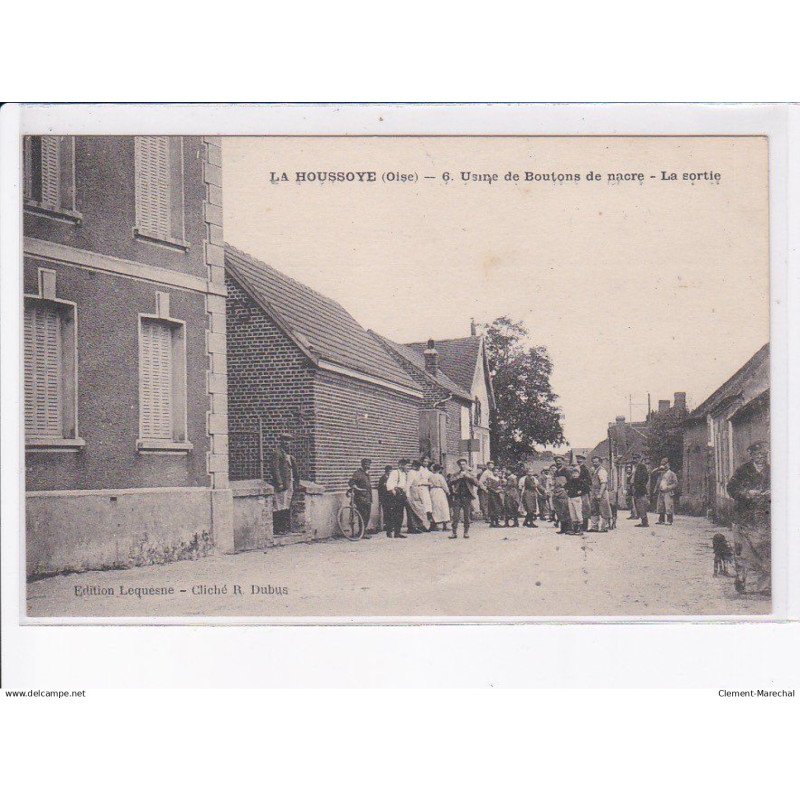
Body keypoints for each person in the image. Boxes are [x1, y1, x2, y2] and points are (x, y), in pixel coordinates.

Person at [726, 441, 771, 595]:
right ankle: (741, 578)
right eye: (757, 454)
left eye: (764, 455)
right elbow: (731, 488)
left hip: (762, 518)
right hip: (743, 517)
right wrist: (746, 493)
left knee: (764, 550)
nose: (761, 458)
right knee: (741, 549)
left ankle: (764, 586)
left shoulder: (772, 471)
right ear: (751, 456)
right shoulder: (743, 471)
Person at [270, 432, 300, 535]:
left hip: (289, 483)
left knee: (286, 504)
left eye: (289, 441)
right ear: (281, 441)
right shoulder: (277, 453)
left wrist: (296, 481)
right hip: (282, 484)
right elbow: (275, 469)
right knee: (279, 505)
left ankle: (285, 528)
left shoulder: (289, 455)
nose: (287, 443)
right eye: (285, 441)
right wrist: (279, 483)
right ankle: (278, 529)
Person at [448, 458, 479, 539]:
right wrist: (459, 477)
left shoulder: (470, 474)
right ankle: (454, 533)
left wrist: (468, 477)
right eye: (461, 464)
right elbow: (450, 482)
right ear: (459, 465)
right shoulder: (455, 474)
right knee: (455, 516)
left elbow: (477, 483)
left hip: (467, 497)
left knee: (466, 515)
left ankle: (466, 532)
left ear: (466, 465)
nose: (462, 466)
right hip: (457, 496)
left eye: (464, 464)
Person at [348, 458, 374, 538]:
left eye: (369, 464)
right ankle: (361, 533)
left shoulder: (366, 474)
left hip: (368, 498)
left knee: (367, 515)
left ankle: (363, 531)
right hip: (361, 498)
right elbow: (351, 482)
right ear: (362, 464)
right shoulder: (358, 473)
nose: (368, 466)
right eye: (366, 464)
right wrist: (357, 488)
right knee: (362, 515)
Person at [385, 459, 410, 538]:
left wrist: (406, 495)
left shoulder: (404, 474)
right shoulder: (395, 473)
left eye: (407, 465)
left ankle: (397, 532)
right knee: (392, 513)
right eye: (405, 465)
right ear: (400, 465)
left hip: (402, 494)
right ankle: (389, 532)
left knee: (400, 514)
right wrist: (393, 491)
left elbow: (405, 485)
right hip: (395, 494)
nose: (406, 467)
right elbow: (390, 483)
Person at [405, 460, 431, 533]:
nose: (420, 468)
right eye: (418, 466)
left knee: (420, 509)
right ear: (414, 466)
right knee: (412, 510)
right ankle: (412, 527)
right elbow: (408, 484)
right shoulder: (411, 473)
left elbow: (420, 482)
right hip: (412, 492)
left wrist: (427, 483)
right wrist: (407, 495)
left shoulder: (418, 472)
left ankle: (421, 525)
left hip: (418, 492)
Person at [589, 455, 612, 532]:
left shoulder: (602, 471)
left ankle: (604, 527)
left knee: (603, 509)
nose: (595, 463)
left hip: (601, 492)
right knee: (594, 509)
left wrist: (600, 494)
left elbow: (603, 483)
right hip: (594, 492)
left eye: (596, 462)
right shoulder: (594, 471)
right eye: (593, 462)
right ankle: (594, 527)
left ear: (600, 462)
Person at [655, 457, 678, 525]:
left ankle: (669, 520)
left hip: (668, 491)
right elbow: (652, 473)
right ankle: (661, 520)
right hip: (661, 491)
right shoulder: (661, 473)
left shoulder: (672, 473)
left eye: (665, 464)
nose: (664, 465)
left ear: (668, 464)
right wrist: (658, 468)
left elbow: (675, 483)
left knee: (668, 506)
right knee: (660, 505)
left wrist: (668, 487)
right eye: (663, 464)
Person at [479, 461, 503, 527]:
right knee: (493, 507)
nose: (496, 473)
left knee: (498, 507)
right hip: (492, 494)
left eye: (497, 471)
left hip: (497, 494)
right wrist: (486, 490)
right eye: (495, 471)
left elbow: (500, 485)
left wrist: (500, 489)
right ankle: (492, 522)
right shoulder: (489, 476)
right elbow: (487, 485)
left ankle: (496, 522)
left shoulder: (498, 478)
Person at [429, 463, 451, 531]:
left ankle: (434, 524)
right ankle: (445, 525)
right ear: (439, 469)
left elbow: (429, 484)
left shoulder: (431, 476)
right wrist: (448, 492)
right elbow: (444, 485)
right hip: (439, 491)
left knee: (434, 507)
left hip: (432, 491)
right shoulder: (440, 476)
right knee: (443, 507)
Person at [631, 453, 651, 527]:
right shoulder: (636, 467)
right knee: (638, 505)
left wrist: (640, 485)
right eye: (633, 458)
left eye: (636, 458)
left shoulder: (641, 466)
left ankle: (645, 522)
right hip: (637, 488)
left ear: (639, 459)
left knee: (641, 505)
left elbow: (645, 477)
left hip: (639, 489)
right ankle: (643, 521)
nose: (634, 460)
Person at [565, 465, 585, 534]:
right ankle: (575, 529)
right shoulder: (570, 481)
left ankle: (581, 528)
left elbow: (586, 488)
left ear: (579, 474)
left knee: (578, 512)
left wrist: (580, 492)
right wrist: (567, 490)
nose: (574, 475)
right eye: (573, 473)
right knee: (572, 513)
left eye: (576, 473)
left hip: (577, 498)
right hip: (570, 498)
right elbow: (565, 486)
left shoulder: (580, 481)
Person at [575, 454, 592, 532]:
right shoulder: (576, 468)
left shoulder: (585, 469)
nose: (579, 460)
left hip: (583, 491)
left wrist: (581, 484)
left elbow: (589, 481)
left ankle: (584, 526)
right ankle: (579, 526)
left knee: (584, 508)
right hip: (576, 492)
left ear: (583, 460)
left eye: (580, 459)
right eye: (578, 459)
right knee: (578, 508)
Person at [418, 455, 435, 527]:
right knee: (423, 505)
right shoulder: (419, 470)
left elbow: (431, 476)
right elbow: (418, 481)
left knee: (428, 506)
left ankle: (428, 524)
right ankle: (422, 524)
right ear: (421, 462)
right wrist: (427, 483)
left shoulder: (427, 470)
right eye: (424, 461)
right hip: (421, 488)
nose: (426, 463)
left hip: (426, 489)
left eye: (427, 462)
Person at [377, 465, 393, 532]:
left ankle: (391, 526)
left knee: (391, 512)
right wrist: (380, 499)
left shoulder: (391, 478)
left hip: (391, 498)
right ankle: (386, 526)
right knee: (386, 512)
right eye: (389, 471)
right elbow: (380, 489)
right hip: (385, 498)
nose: (390, 472)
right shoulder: (383, 478)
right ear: (386, 471)